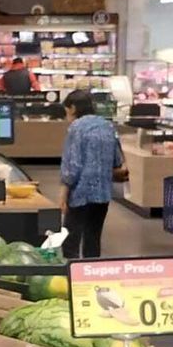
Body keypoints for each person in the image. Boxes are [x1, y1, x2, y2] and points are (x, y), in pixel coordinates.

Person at [59, 89, 127, 259]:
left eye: (66, 111)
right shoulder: (108, 125)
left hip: (80, 192)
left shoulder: (76, 128)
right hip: (103, 193)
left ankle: (71, 277)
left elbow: (72, 164)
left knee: (71, 240)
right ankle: (90, 276)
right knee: (93, 237)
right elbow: (117, 160)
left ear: (72, 108)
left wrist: (63, 192)